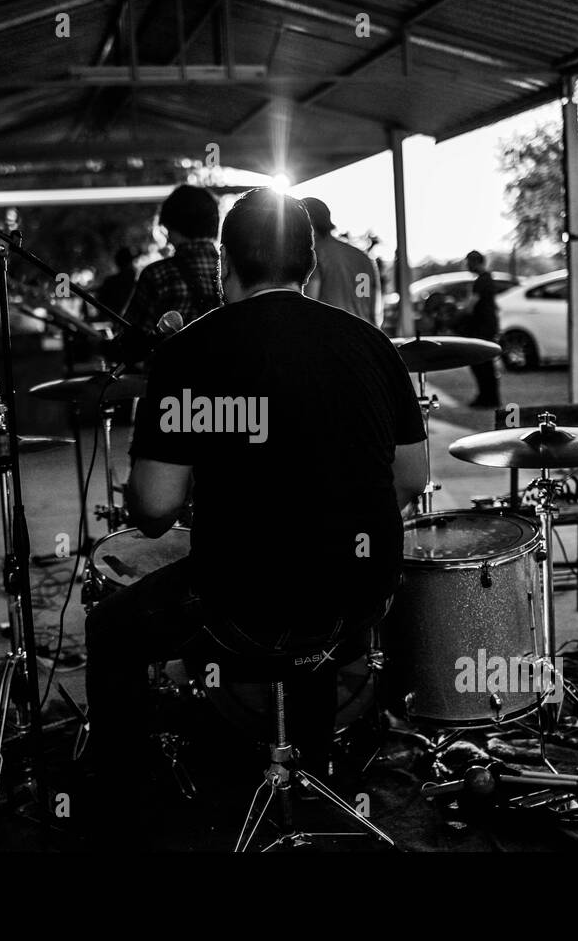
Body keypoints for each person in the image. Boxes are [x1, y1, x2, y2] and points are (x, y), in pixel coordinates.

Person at [84, 188, 427, 836]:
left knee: (111, 628)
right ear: (311, 266)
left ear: (223, 264)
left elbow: (154, 509)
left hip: (252, 606)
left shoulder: (190, 350)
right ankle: (316, 769)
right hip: (365, 598)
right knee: (317, 578)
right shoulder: (373, 345)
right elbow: (411, 480)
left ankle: (127, 817)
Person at [123, 185, 222, 331]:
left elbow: (130, 339)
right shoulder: (233, 272)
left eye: (168, 230)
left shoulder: (157, 275)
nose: (168, 240)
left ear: (174, 226)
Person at [301, 197, 382, 325]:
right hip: (364, 336)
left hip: (332, 336)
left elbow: (309, 306)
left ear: (309, 222)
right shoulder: (363, 258)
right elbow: (370, 306)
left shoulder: (316, 254)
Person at [461, 249, 501, 409]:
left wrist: (460, 314)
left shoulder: (481, 281)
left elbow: (471, 307)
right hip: (488, 326)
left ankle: (487, 398)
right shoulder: (488, 278)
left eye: (468, 262)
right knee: (487, 364)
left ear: (474, 262)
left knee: (481, 364)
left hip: (482, 328)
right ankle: (490, 397)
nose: (466, 266)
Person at [94, 246, 138, 319]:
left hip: (110, 319)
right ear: (130, 262)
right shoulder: (135, 284)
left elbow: (100, 302)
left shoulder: (109, 282)